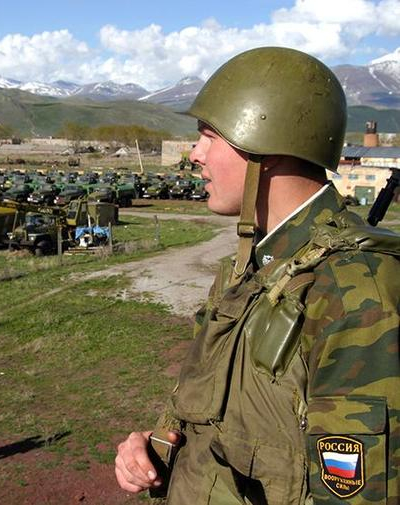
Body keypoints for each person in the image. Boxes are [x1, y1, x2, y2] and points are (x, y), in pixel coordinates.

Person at [115, 46, 399, 504]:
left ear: (264, 148)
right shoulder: (252, 269)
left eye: (209, 136)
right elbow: (220, 424)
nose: (195, 154)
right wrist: (156, 450)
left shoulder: (354, 293)